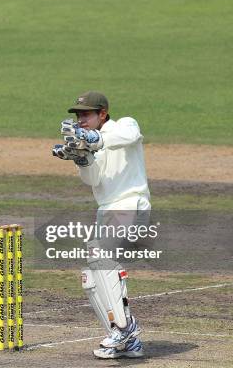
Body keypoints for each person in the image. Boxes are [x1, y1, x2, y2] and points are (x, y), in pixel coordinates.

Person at [52, 91, 150, 359]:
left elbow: (128, 137)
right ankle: (126, 341)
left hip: (131, 203)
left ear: (103, 114)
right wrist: (81, 157)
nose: (80, 120)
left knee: (101, 257)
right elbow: (93, 180)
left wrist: (94, 139)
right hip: (107, 210)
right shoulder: (88, 143)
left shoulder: (125, 125)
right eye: (78, 115)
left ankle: (124, 327)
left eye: (86, 114)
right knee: (91, 276)